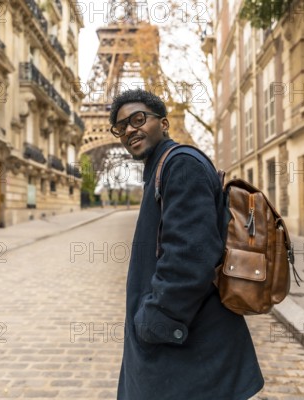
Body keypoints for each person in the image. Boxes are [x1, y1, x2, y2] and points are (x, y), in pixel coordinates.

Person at [110, 89, 264, 400]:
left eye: (138, 119)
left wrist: (153, 320)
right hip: (183, 341)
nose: (129, 130)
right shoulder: (164, 166)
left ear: (164, 123)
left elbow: (191, 255)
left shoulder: (180, 164)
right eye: (120, 127)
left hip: (187, 341)